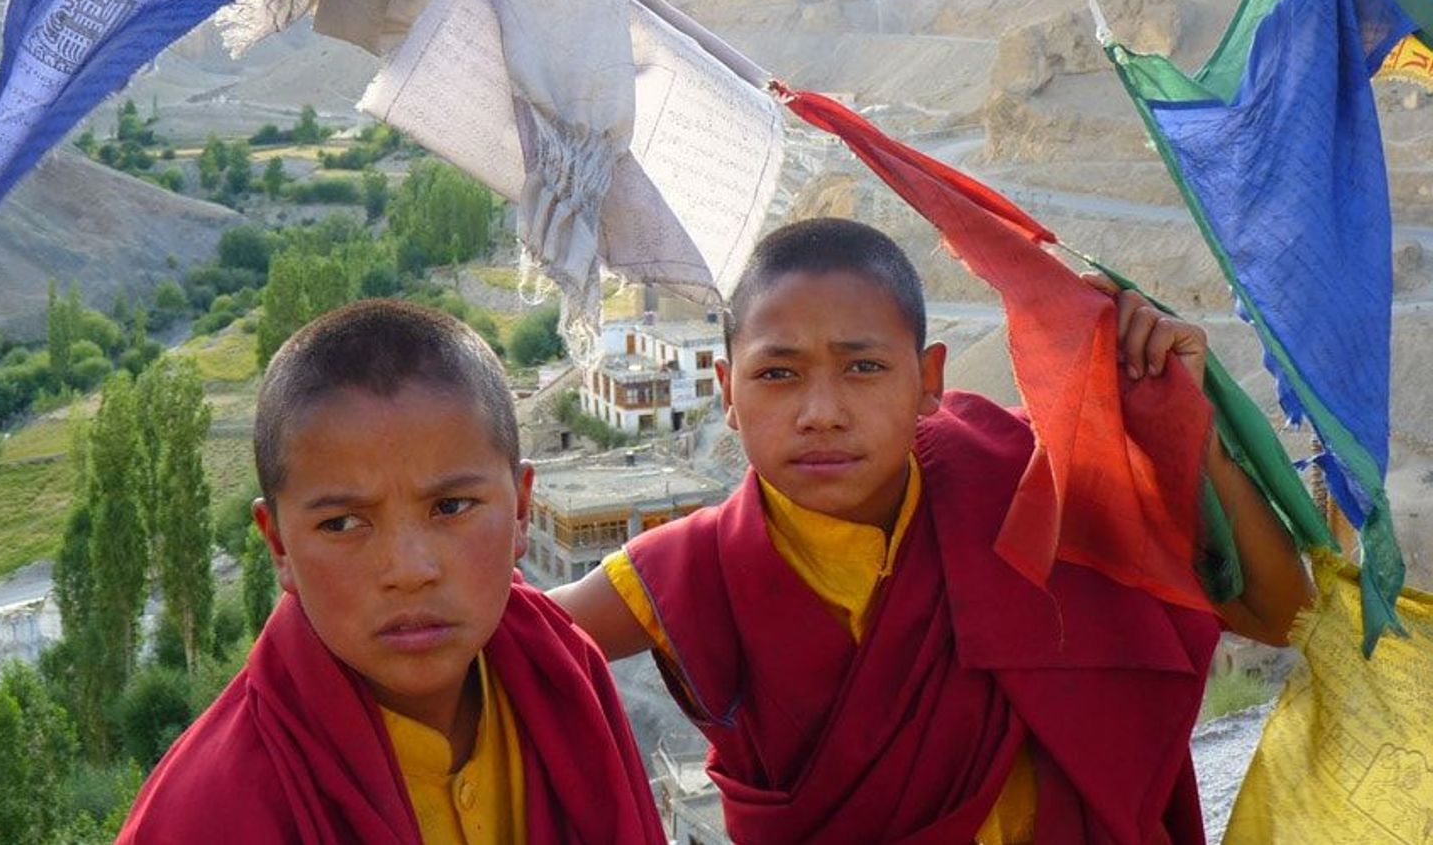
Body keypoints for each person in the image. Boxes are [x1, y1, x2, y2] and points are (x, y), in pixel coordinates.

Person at [552, 218, 1314, 843]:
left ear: (930, 381)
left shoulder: (1026, 486)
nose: (822, 410)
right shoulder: (691, 572)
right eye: (778, 374)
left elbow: (1283, 615)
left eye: (863, 368)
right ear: (726, 391)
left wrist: (1184, 426)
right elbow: (506, 639)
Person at [119, 300, 664, 844]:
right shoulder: (206, 812)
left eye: (450, 507)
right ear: (278, 543)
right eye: (343, 523)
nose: (408, 571)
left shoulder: (566, 678)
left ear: (521, 512)